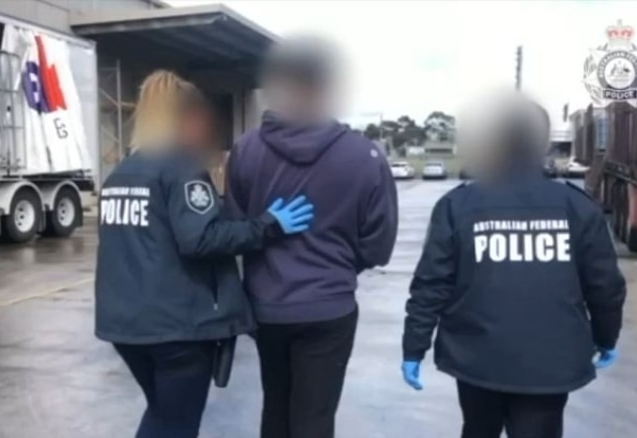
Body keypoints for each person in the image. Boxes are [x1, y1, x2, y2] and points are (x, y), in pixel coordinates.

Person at [94, 70, 316, 438]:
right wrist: (268, 224)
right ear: (184, 118)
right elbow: (200, 238)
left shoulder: (121, 173)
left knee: (162, 416)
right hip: (176, 330)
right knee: (176, 425)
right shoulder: (181, 168)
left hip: (126, 327)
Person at [401, 91, 626, 438]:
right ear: (543, 144)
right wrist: (605, 336)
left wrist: (414, 346)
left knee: (478, 428)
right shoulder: (576, 207)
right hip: (549, 363)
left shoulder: (459, 205)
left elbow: (432, 283)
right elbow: (605, 286)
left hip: (476, 358)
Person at [224, 35, 399, 438]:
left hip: (267, 307)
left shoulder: (246, 150)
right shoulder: (365, 156)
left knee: (276, 407)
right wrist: (341, 261)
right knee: (315, 418)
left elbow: (234, 229)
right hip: (329, 307)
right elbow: (379, 246)